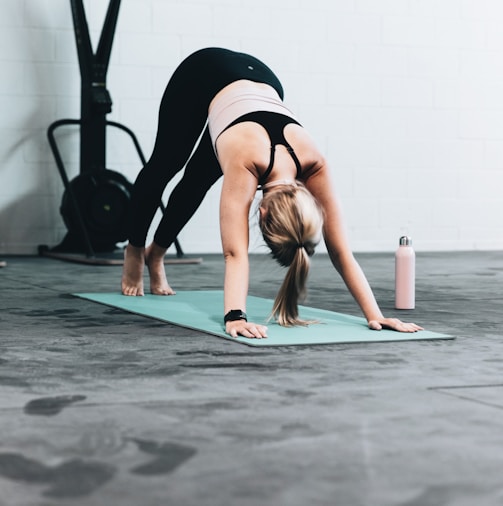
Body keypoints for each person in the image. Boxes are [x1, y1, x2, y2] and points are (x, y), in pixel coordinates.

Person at [121, 47, 423, 339]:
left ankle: (156, 254)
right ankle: (134, 250)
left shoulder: (314, 163)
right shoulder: (250, 162)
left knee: (196, 182)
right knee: (167, 163)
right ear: (262, 213)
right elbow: (234, 253)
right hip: (203, 73)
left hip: (263, 82)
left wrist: (375, 314)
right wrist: (234, 317)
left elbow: (340, 251)